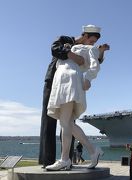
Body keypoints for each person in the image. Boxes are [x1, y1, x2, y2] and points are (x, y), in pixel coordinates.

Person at [38, 27, 106, 168]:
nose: (91, 44)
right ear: (85, 35)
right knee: (67, 122)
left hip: (71, 80)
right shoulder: (66, 41)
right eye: (91, 40)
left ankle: (65, 159)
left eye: (94, 42)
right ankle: (93, 151)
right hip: (57, 80)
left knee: (65, 122)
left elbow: (94, 64)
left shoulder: (88, 48)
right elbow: (55, 48)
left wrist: (88, 78)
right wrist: (71, 54)